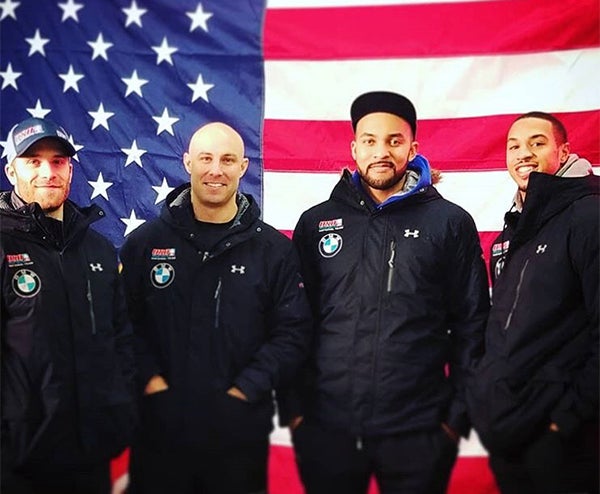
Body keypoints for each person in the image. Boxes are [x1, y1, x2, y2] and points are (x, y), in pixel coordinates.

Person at [281, 91, 490, 494]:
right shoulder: (316, 222)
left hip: (420, 433)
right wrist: (295, 412)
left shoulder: (450, 223)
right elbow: (293, 321)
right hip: (327, 430)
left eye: (394, 140)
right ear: (354, 148)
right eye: (370, 140)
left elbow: (472, 323)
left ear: (412, 148)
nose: (382, 151)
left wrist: (455, 420)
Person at [119, 121, 312, 494]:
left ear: (243, 167)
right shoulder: (144, 245)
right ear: (188, 162)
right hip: (159, 431)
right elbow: (123, 324)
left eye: (227, 160)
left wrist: (245, 390)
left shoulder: (274, 251)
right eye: (206, 158)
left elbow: (294, 331)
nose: (215, 170)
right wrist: (152, 385)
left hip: (238, 435)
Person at [0, 117, 136, 494]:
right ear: (11, 170)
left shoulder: (98, 249)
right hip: (18, 461)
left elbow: (120, 339)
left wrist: (118, 411)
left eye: (58, 161)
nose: (48, 172)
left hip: (91, 455)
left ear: (70, 169)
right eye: (34, 161)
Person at [467, 112, 599, 493]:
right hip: (509, 429)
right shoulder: (510, 234)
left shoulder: (589, 215)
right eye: (514, 146)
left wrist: (568, 419)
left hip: (564, 438)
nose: (523, 152)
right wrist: (484, 395)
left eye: (537, 143)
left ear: (564, 150)